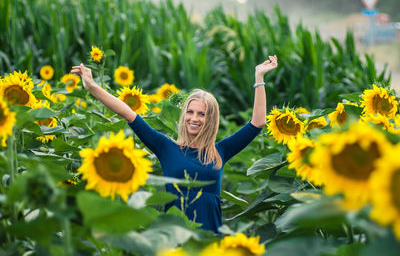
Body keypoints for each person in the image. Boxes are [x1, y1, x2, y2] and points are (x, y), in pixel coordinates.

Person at [71, 55, 278, 233]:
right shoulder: (166, 148)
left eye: (201, 114)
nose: (194, 118)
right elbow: (127, 112)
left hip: (209, 240)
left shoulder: (220, 152)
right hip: (173, 238)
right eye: (190, 112)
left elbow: (257, 122)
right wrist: (92, 86)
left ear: (211, 119)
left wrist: (259, 78)